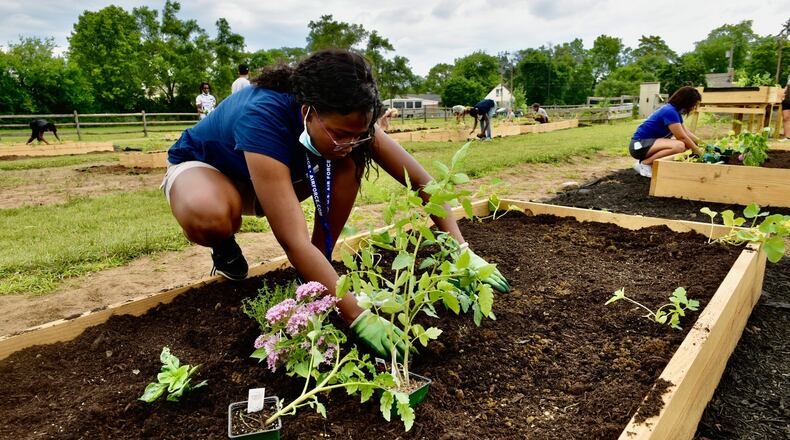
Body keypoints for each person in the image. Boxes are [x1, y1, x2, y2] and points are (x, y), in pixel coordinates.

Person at [162, 49, 511, 359]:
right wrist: (356, 315)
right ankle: (224, 246)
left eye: (357, 134)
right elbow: (290, 239)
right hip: (211, 172)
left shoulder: (351, 122)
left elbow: (425, 184)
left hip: (276, 175)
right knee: (210, 215)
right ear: (307, 112)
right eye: (339, 134)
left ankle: (319, 261)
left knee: (349, 164)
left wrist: (461, 252)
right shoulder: (262, 115)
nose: (348, 141)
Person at [629, 86, 704, 178]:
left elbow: (686, 133)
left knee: (685, 147)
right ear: (687, 102)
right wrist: (698, 151)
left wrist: (704, 145)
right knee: (679, 146)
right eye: (693, 104)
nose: (693, 107)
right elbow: (682, 137)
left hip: (648, 144)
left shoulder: (675, 112)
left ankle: (646, 164)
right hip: (639, 145)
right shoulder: (670, 111)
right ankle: (645, 164)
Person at [780, 74, 790, 142]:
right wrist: (782, 93)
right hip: (788, 97)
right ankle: (788, 138)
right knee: (786, 117)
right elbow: (787, 85)